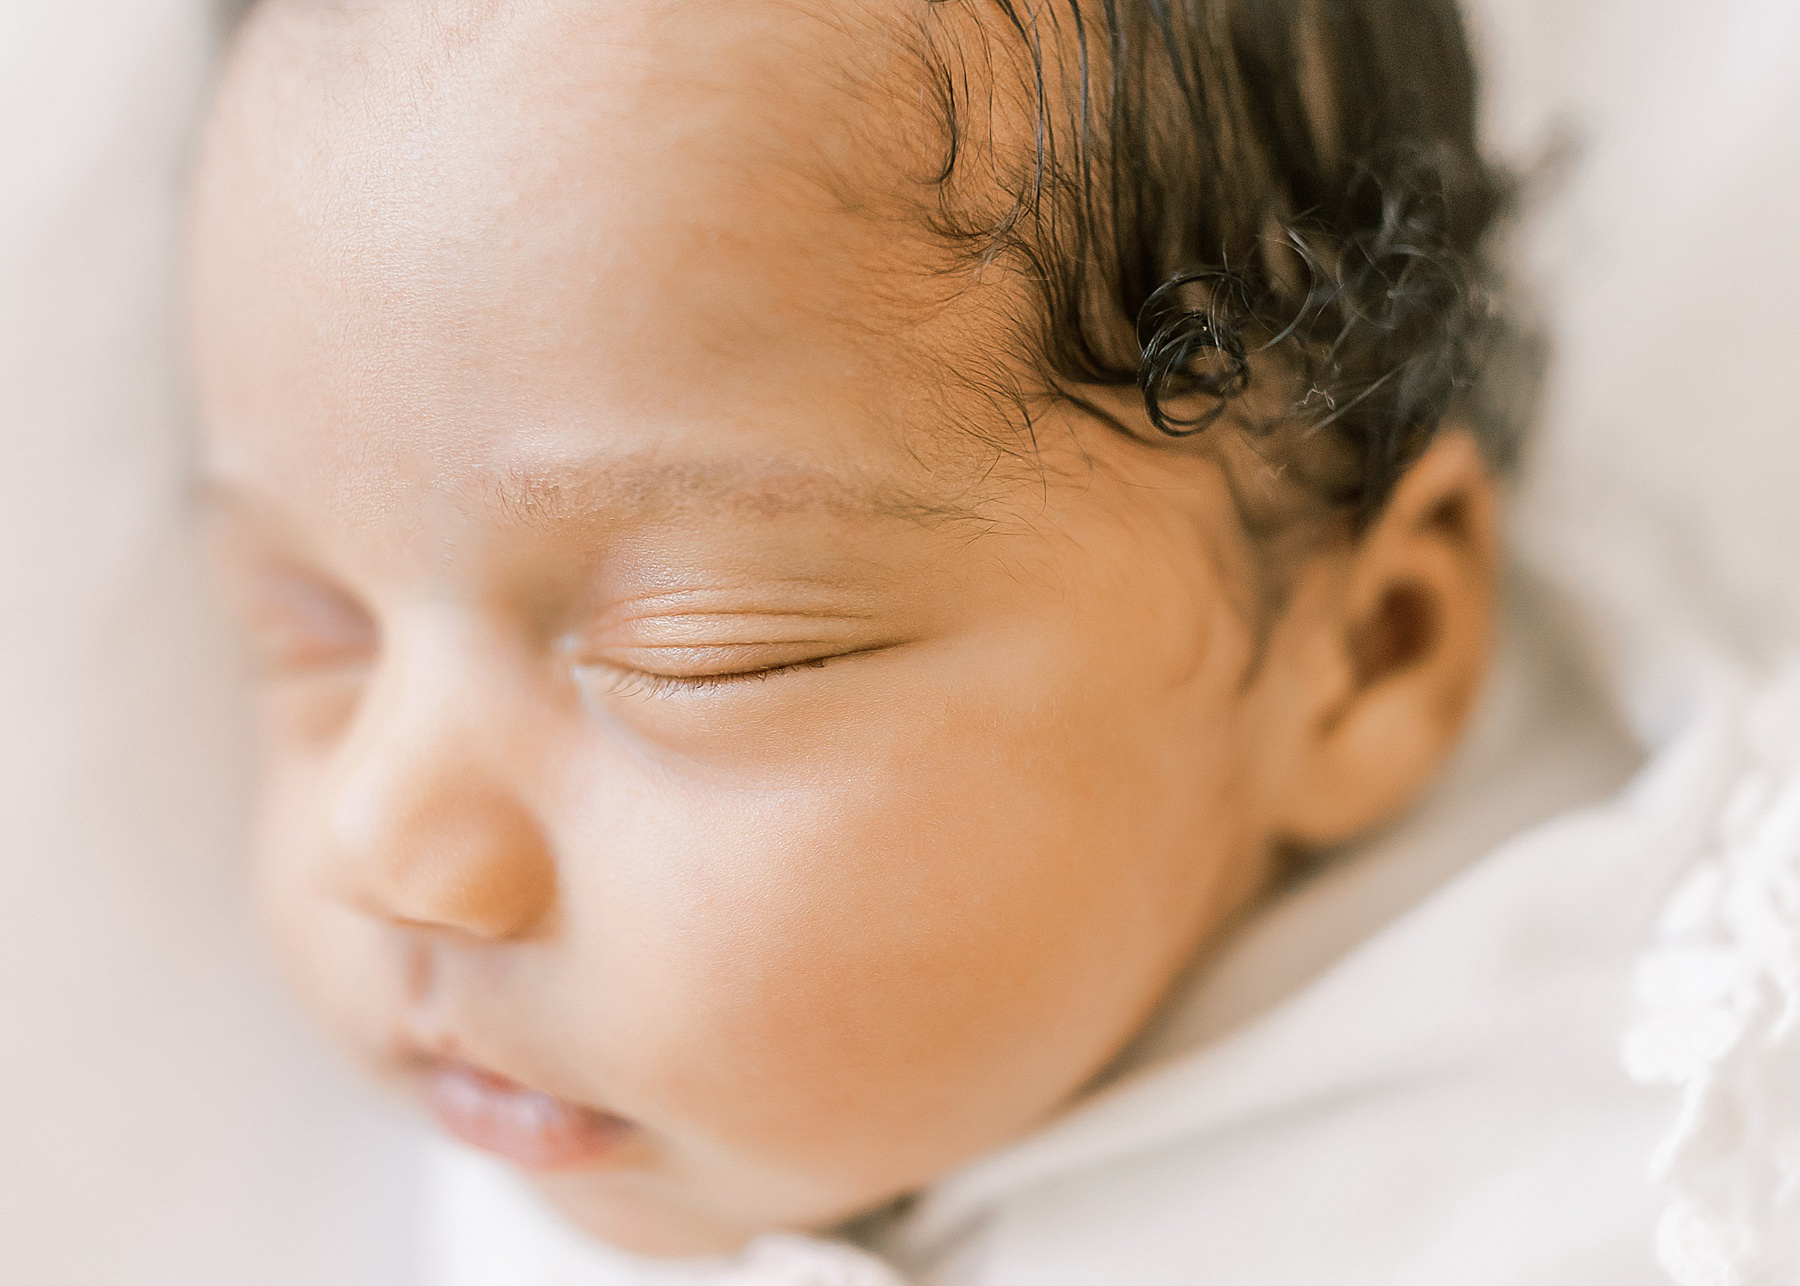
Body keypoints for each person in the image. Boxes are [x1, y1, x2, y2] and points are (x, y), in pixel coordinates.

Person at [185, 2, 1771, 1281]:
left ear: (1364, 654)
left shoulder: (1637, 1152)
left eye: (701, 647)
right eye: (310, 629)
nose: (378, 840)